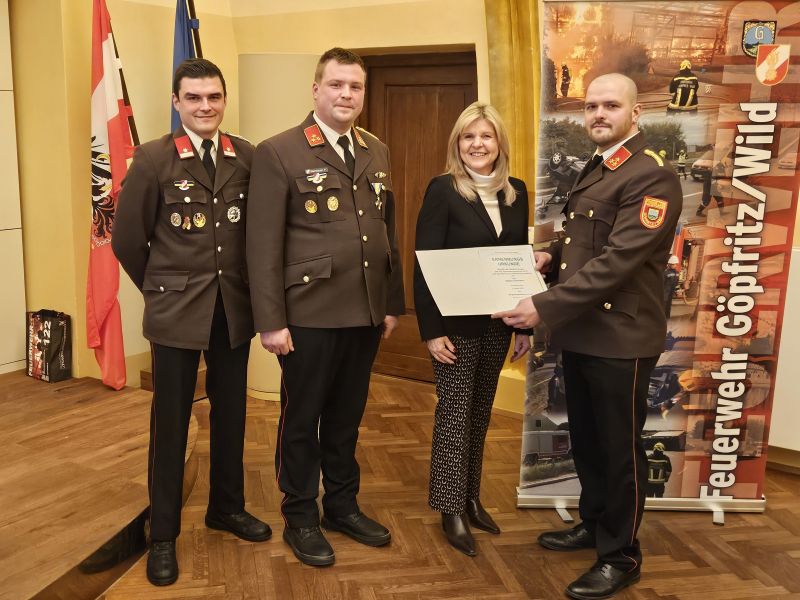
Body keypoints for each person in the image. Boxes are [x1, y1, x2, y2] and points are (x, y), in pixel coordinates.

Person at [493, 73, 682, 599]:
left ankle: (621, 555)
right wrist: (550, 257)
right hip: (582, 331)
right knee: (588, 441)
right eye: (592, 105)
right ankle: (595, 523)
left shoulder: (651, 176)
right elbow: (585, 242)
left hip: (621, 337)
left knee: (619, 451)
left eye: (611, 105)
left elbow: (619, 261)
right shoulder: (599, 165)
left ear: (635, 113)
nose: (599, 113)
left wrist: (542, 306)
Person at [112, 58, 270, 587]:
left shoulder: (246, 156)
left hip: (232, 310)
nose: (206, 106)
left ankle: (227, 506)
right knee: (171, 423)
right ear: (176, 102)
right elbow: (127, 240)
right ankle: (162, 534)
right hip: (176, 313)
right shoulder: (153, 158)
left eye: (214, 97)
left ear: (225, 100)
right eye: (195, 97)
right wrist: (162, 288)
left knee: (232, 415)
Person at [246, 47, 405, 567]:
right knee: (302, 421)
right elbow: (262, 245)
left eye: (355, 86)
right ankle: (300, 516)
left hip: (364, 313)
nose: (346, 94)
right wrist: (271, 321)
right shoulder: (279, 152)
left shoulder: (376, 149)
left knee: (346, 419)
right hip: (308, 315)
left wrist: (391, 302)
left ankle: (341, 506)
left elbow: (387, 231)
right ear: (316, 89)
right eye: (336, 84)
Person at [413, 102, 531, 557]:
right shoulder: (443, 190)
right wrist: (430, 330)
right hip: (454, 328)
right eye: (468, 137)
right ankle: (450, 509)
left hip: (499, 324)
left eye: (486, 136)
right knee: (454, 415)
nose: (477, 144)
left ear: (499, 142)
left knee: (480, 414)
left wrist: (525, 327)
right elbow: (425, 264)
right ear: (457, 144)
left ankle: (471, 498)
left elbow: (519, 261)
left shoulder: (516, 192)